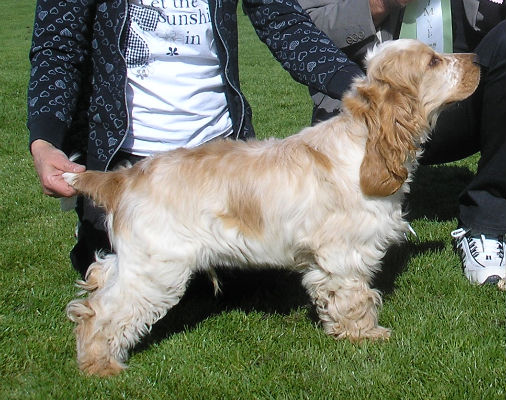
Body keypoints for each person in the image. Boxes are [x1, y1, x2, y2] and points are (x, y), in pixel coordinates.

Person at [27, 0, 364, 278]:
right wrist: (45, 139)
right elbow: (57, 46)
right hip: (127, 163)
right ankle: (97, 232)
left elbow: (283, 21)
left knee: (245, 282)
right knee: (132, 283)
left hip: (217, 163)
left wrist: (362, 88)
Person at [297, 0, 506, 285]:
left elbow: (489, 19)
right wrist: (381, 3)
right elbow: (300, 26)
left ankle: (486, 224)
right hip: (369, 114)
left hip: (460, 100)